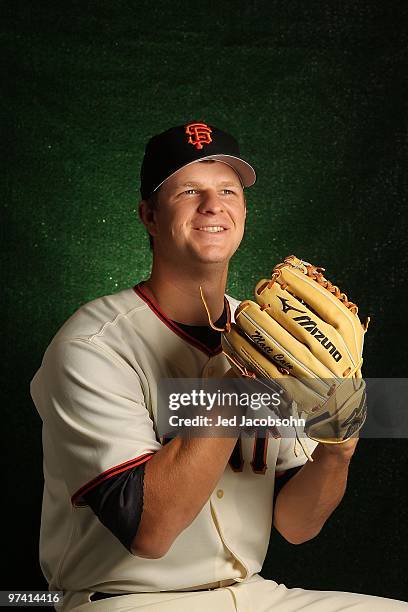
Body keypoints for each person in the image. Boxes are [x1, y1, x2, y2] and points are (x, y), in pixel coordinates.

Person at [31, 122, 407, 611]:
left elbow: (297, 526)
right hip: (125, 599)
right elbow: (151, 532)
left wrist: (338, 447)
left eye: (227, 191)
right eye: (189, 191)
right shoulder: (92, 346)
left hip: (252, 595)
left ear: (244, 212)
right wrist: (227, 398)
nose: (213, 206)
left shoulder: (275, 337)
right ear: (148, 215)